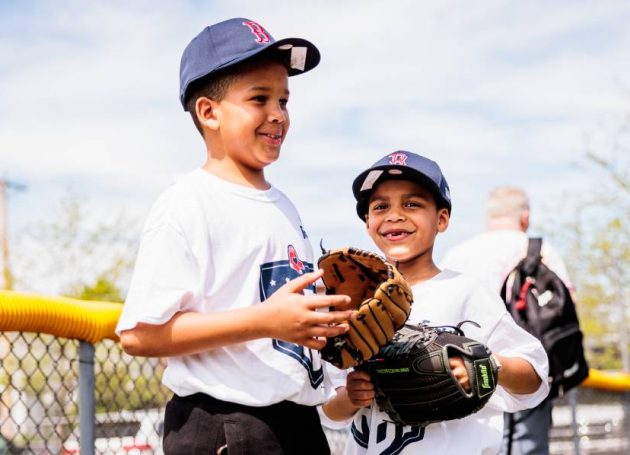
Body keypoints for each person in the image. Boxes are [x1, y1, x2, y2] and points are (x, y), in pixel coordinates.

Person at [115, 18, 356, 455]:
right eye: (259, 99)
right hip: (224, 424)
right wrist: (265, 321)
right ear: (209, 112)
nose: (278, 114)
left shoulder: (284, 205)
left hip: (298, 421)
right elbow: (139, 334)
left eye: (284, 99)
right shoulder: (188, 202)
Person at [320, 151, 550, 454]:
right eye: (380, 206)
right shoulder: (352, 305)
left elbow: (534, 377)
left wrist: (486, 365)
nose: (394, 215)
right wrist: (350, 397)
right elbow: (328, 411)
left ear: (441, 219)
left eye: (412, 204)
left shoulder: (466, 292)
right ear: (367, 223)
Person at [440, 186, 575, 455]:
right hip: (523, 371)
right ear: (524, 217)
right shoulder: (537, 249)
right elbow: (567, 303)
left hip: (464, 374)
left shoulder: (458, 254)